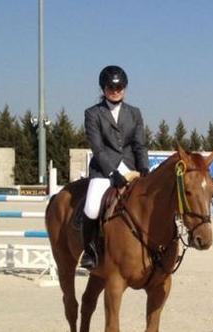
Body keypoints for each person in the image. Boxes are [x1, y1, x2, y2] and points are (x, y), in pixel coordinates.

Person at [81, 65, 149, 270]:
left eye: (120, 87)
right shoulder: (93, 113)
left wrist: (144, 168)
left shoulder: (134, 113)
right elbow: (98, 148)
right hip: (103, 170)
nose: (116, 91)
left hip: (131, 168)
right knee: (92, 206)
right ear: (103, 89)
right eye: (111, 87)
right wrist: (112, 172)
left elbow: (139, 144)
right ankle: (90, 251)